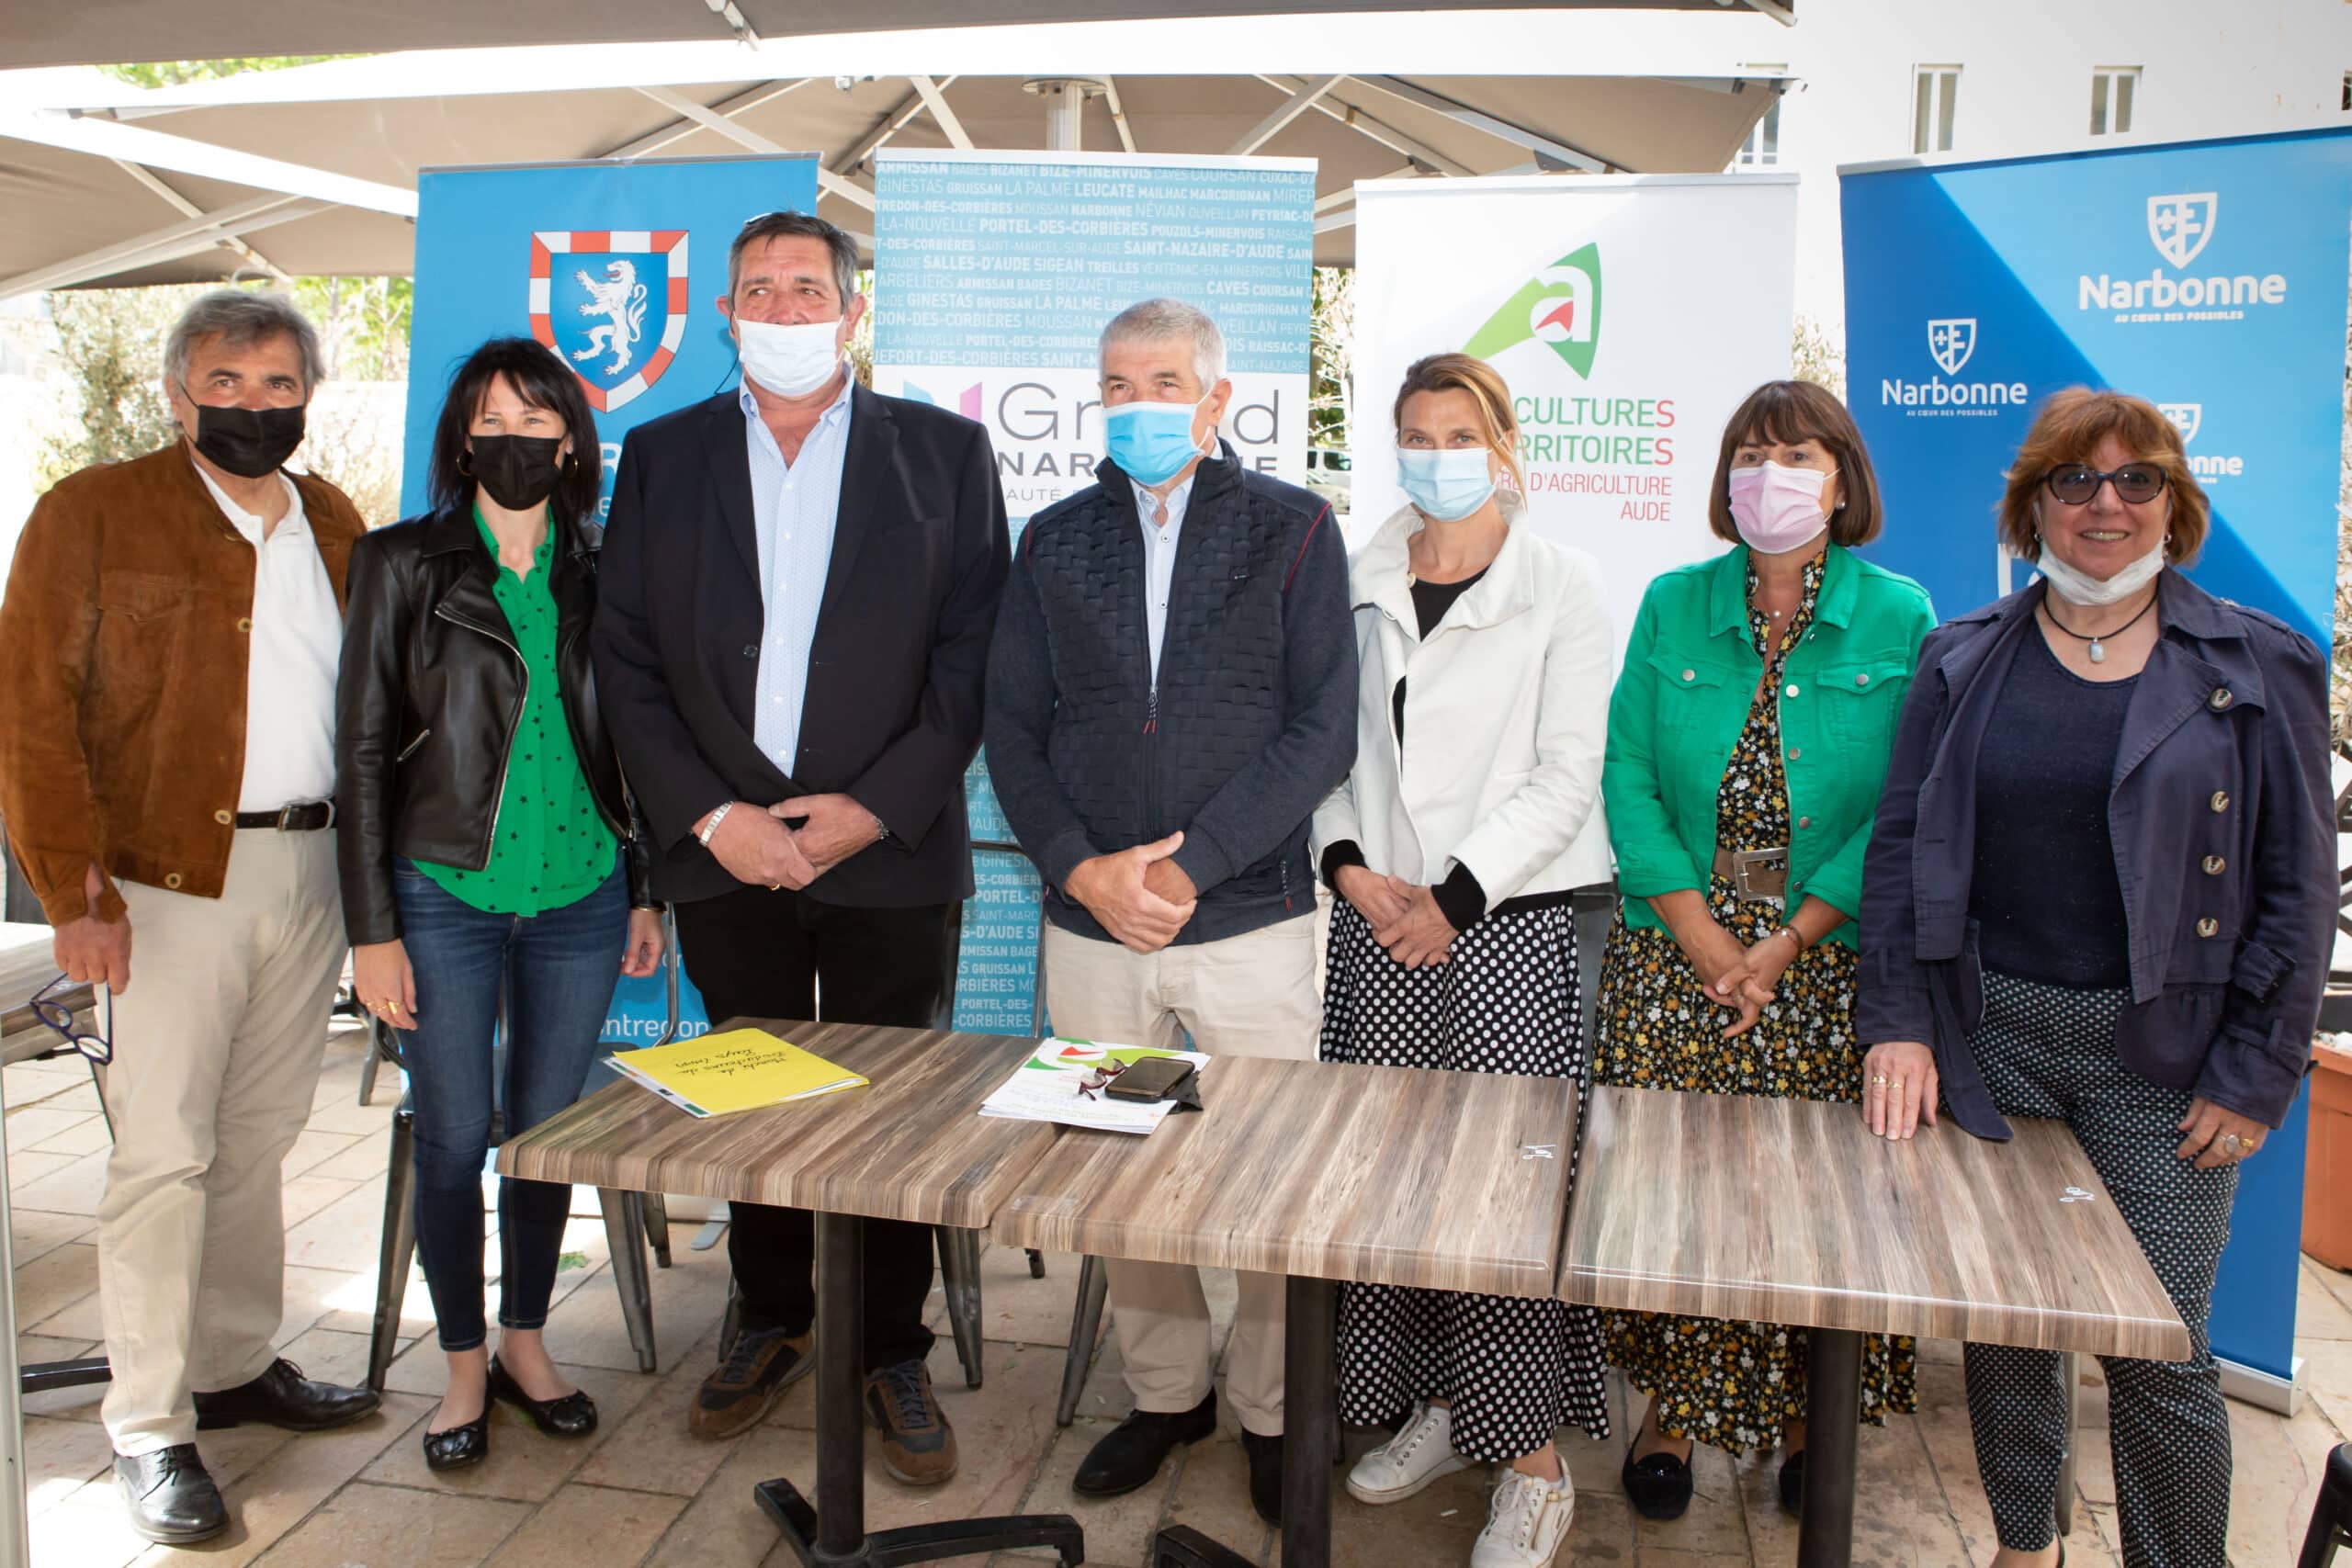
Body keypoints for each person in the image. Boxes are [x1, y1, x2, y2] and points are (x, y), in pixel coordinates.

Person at [1857, 389, 2333, 1568]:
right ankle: (2027, 1546)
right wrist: (1901, 1026)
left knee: (2160, 1352)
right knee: (2011, 1331)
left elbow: (2298, 890)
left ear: (2174, 503)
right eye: (2073, 482)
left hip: (2163, 1064)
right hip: (1992, 1041)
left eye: (2135, 480)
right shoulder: (1962, 658)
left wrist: (2256, 1070)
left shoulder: (2257, 664)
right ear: (2032, 509)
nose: (2105, 504)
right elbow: (1902, 853)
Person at [591, 210, 1008, 1482]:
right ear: (725, 312)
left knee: (891, 1107)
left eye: (805, 288)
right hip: (724, 847)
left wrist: (869, 808)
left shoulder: (945, 452)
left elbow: (970, 656)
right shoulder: (660, 455)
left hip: (886, 844)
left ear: (851, 309)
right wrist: (711, 818)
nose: (781, 308)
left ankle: (889, 1343)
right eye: (757, 290)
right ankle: (769, 1313)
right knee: (755, 1091)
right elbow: (626, 656)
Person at [0, 289, 381, 1543]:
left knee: (260, 1134)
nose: (253, 407)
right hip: (162, 883)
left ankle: (230, 1363)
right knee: (163, 1151)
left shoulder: (329, 518)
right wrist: (74, 890)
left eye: (279, 387)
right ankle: (150, 1423)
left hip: (314, 871)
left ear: (306, 399)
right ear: (176, 392)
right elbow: (33, 715)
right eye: (227, 382)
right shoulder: (92, 513)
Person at [985, 297, 1356, 1527]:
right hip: (1094, 927)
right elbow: (1012, 730)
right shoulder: (1049, 543)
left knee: (1264, 1179)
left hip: (1248, 916)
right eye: (1114, 381)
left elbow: (1322, 731)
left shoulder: (1296, 530)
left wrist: (1192, 863)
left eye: (1160, 380)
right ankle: (1164, 1395)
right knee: (1119, 1176)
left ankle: (1268, 1409)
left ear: (1213, 396)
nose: (1135, 401)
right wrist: (1083, 868)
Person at [1594, 379, 1934, 1521]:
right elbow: (1627, 777)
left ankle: (1803, 1412)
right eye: (1749, 454)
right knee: (1673, 1197)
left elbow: (1904, 805)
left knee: (1809, 1206)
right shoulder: (1671, 604)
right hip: (1674, 960)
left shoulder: (1900, 616)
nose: (1767, 476)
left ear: (1842, 480)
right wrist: (1700, 935)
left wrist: (1782, 943)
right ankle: (1675, 1414)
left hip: (1825, 967)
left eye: (1793, 455)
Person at [337, 337, 666, 1472]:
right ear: (460, 438)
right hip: (441, 897)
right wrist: (370, 929)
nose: (513, 442)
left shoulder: (608, 571)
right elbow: (364, 753)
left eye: (536, 423)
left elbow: (640, 744)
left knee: (543, 1140)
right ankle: (463, 1365)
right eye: (491, 421)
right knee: (450, 1139)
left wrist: (644, 892)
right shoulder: (399, 563)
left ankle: (528, 1345)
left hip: (581, 892)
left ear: (571, 440)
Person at [1310, 354, 1611, 1566]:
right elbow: (1322, 748)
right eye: (1413, 431)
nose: (1435, 451)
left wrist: (1456, 893)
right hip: (1375, 924)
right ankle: (1437, 1406)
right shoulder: (1357, 572)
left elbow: (1568, 767)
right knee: (1387, 1187)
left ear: (1502, 446)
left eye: (1458, 431)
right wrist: (1345, 865)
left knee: (1500, 1196)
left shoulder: (1564, 582)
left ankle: (1532, 1460)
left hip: (1511, 923)